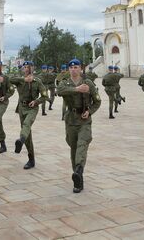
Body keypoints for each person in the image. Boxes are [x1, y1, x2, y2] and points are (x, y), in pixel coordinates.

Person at [57, 59, 101, 193]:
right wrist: (77, 89)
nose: (73, 69)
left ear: (80, 69)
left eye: (76, 67)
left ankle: (78, 172)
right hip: (71, 120)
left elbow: (97, 101)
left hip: (84, 121)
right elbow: (60, 91)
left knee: (82, 144)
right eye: (71, 68)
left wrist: (89, 111)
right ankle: (78, 177)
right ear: (69, 70)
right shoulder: (65, 83)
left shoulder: (88, 83)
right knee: (74, 148)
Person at [9, 61, 48, 169]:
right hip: (22, 108)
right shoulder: (20, 80)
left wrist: (36, 102)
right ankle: (31, 159)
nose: (26, 69)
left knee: (26, 124)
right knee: (28, 135)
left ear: (33, 68)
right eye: (25, 67)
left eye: (28, 67)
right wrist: (23, 79)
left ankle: (21, 140)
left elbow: (45, 96)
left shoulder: (37, 81)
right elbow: (9, 80)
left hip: (32, 108)